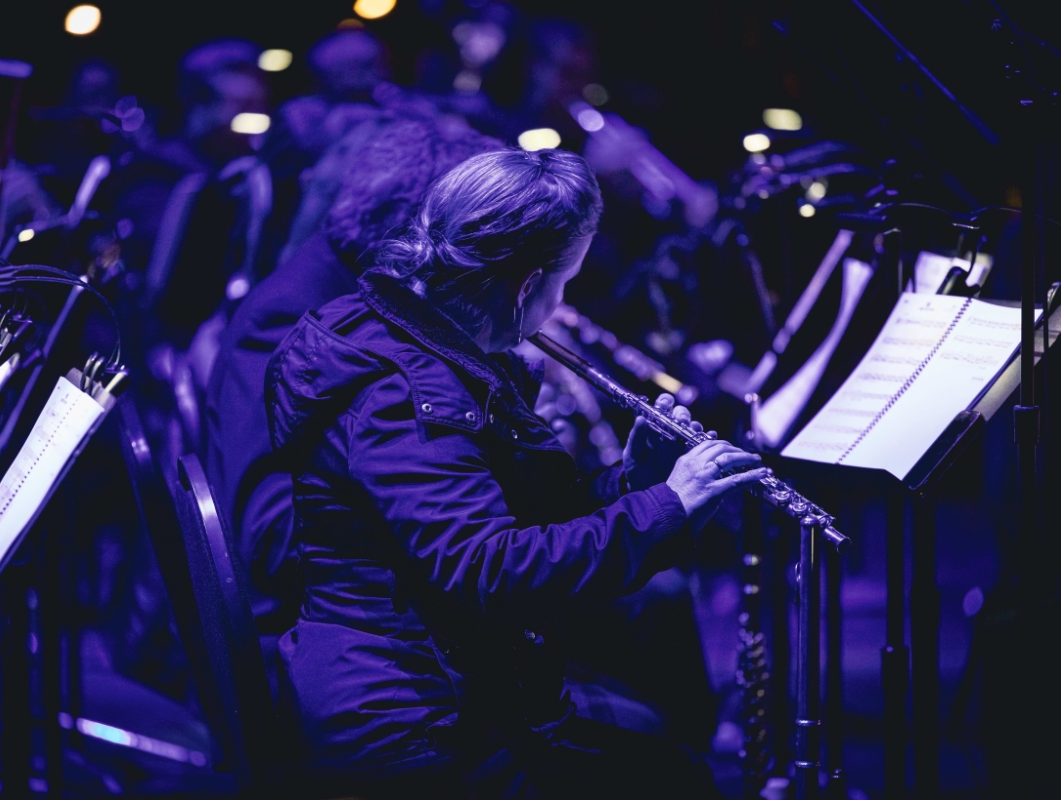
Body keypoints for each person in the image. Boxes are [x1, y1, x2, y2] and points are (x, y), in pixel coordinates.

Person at [265, 148, 769, 796]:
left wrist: (631, 482)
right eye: (564, 284)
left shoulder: (415, 332)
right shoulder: (404, 396)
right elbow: (489, 569)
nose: (561, 306)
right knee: (677, 779)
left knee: (667, 758)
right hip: (409, 724)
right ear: (528, 285)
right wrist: (667, 508)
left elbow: (504, 518)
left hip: (448, 683)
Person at [205, 116, 501, 641]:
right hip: (332, 643)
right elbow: (270, 539)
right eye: (482, 245)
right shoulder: (296, 317)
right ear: (423, 233)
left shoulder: (371, 296)